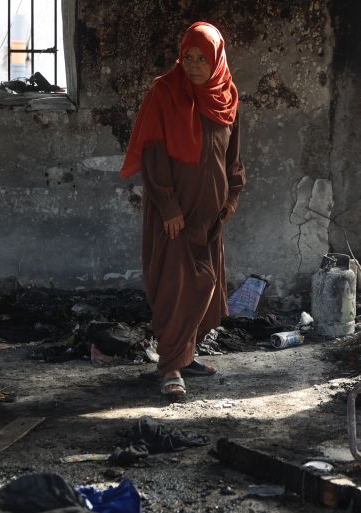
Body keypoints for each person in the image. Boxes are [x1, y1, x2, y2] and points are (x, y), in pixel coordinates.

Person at [120, 22, 246, 396]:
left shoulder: (228, 97)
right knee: (175, 287)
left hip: (211, 215)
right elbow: (154, 153)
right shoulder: (166, 92)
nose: (192, 65)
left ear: (216, 60)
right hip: (174, 213)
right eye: (187, 57)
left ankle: (185, 355)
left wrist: (232, 198)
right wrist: (169, 206)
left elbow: (233, 158)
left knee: (204, 285)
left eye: (201, 58)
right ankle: (170, 367)